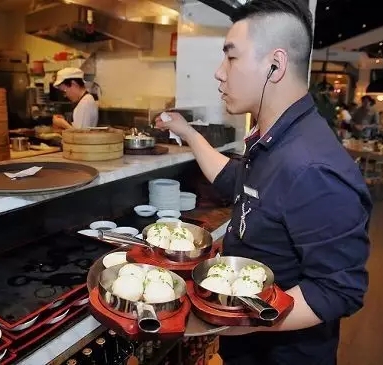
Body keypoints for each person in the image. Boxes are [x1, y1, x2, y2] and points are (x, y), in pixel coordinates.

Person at [156, 0, 371, 363]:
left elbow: (338, 290)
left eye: (231, 57)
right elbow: (237, 182)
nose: (219, 72)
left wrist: (236, 323)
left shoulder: (312, 167)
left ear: (275, 64)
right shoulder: (275, 140)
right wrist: (186, 132)